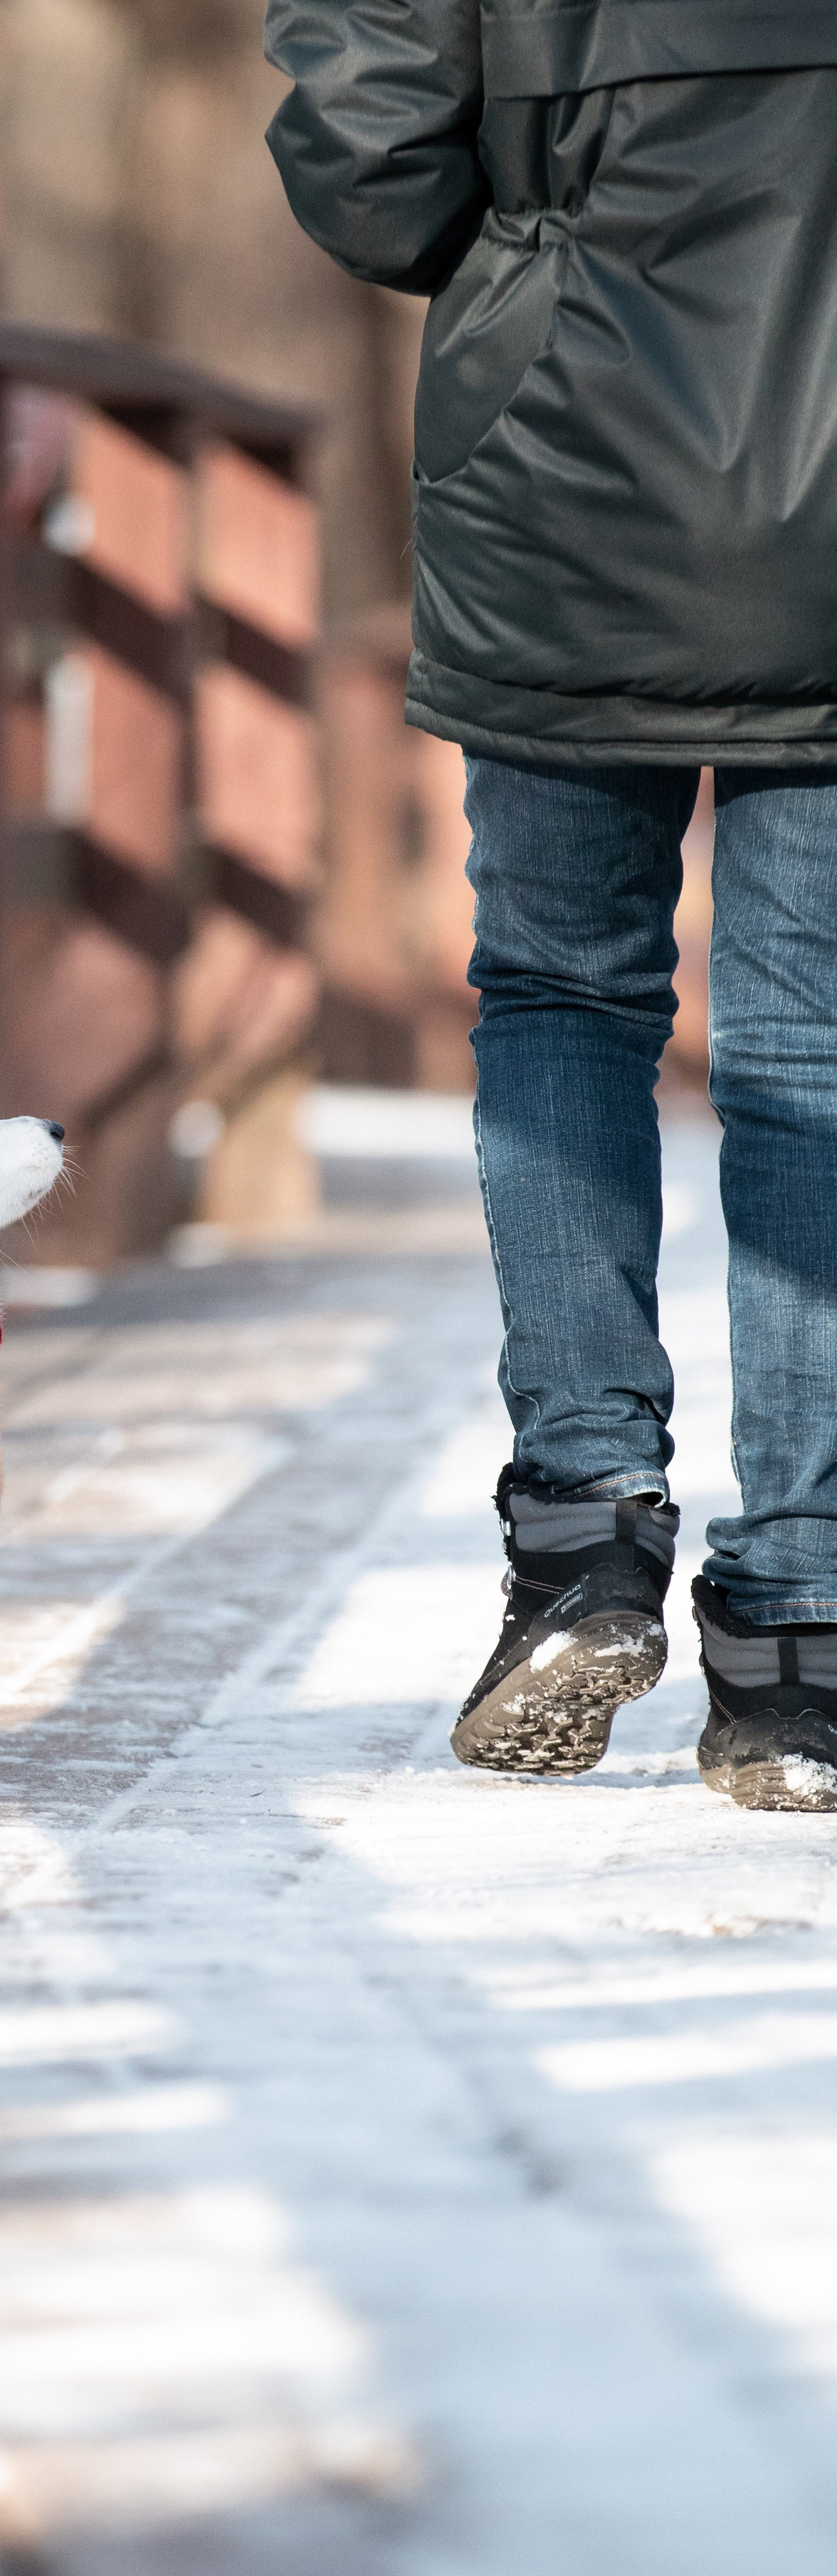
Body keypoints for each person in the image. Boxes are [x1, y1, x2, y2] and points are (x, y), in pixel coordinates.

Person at [263, 1, 837, 1810]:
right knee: (811, 1048)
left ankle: (583, 1533)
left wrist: (549, 243)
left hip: (562, 471)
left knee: (561, 997)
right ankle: (801, 1628)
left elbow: (364, 172)